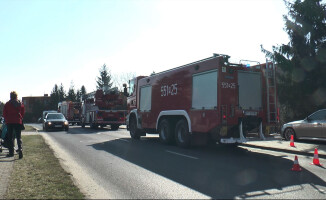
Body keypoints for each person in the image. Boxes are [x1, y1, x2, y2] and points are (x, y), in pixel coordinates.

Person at [3, 91, 25, 158]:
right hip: (18, 121)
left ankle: (11, 152)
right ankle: (20, 150)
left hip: (10, 122)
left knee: (10, 137)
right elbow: (23, 113)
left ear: (10, 96)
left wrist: (7, 119)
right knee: (18, 137)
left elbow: (4, 113)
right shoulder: (20, 104)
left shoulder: (7, 104)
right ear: (16, 96)